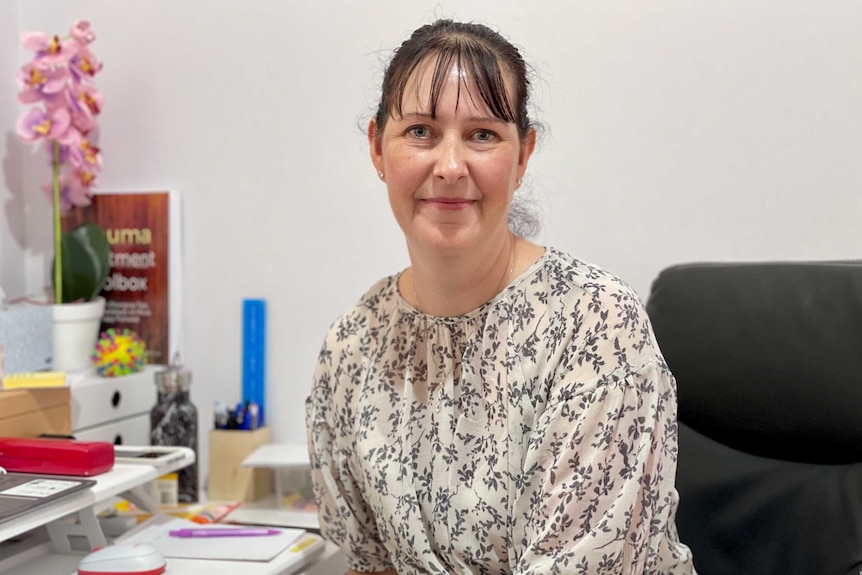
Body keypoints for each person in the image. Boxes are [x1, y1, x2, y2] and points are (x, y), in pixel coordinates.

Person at [306, 19, 696, 575]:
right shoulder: (353, 345)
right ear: (377, 147)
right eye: (420, 131)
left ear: (522, 154)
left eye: (483, 134)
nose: (449, 166)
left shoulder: (595, 325)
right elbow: (370, 564)